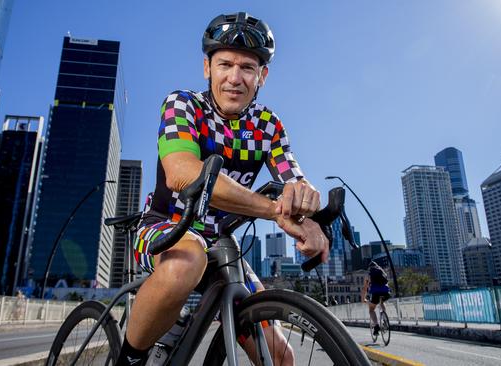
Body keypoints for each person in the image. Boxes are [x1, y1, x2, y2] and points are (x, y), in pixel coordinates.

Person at [115, 12, 330, 366]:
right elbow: (184, 174)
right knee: (187, 261)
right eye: (225, 64)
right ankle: (129, 360)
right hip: (167, 226)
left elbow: (292, 179)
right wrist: (276, 210)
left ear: (262, 76)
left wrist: (307, 208)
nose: (234, 78)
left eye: (247, 68)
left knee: (280, 357)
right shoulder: (183, 105)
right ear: (207, 68)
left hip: (223, 243)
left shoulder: (268, 126)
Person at [361, 261, 391, 336]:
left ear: (369, 268)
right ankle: (384, 318)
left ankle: (376, 326)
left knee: (371, 310)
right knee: (382, 302)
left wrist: (363, 299)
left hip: (375, 293)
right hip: (386, 292)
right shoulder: (382, 272)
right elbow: (386, 282)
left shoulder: (368, 274)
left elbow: (364, 288)